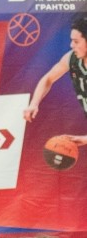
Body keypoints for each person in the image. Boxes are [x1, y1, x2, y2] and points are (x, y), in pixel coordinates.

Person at [24, 15, 87, 147]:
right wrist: (34, 103)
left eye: (76, 41)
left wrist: (85, 139)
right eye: (71, 41)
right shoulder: (71, 59)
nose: (71, 45)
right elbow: (48, 79)